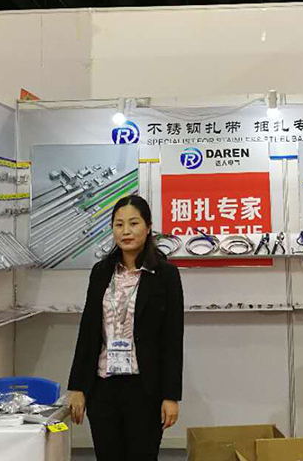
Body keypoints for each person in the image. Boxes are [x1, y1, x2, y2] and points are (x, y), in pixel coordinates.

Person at [67, 194, 184, 460]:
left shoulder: (165, 275)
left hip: (145, 388)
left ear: (148, 227)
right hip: (103, 386)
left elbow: (172, 339)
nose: (126, 231)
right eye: (119, 225)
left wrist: (171, 396)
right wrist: (78, 386)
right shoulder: (101, 272)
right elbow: (88, 332)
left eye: (133, 223)